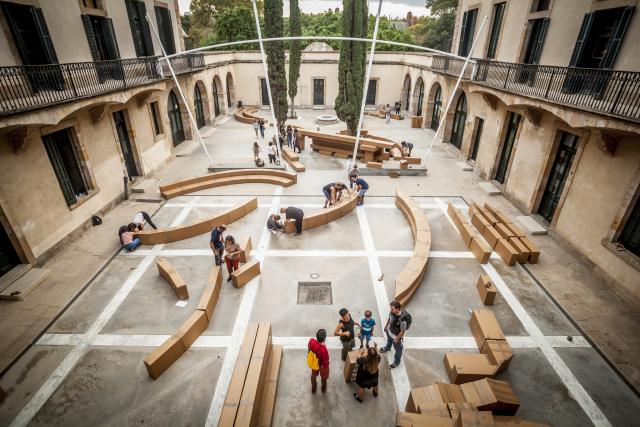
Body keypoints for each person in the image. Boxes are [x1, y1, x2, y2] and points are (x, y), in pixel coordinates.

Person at [380, 300, 411, 368]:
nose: (391, 310)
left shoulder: (403, 319)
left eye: (392, 308)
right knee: (389, 341)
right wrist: (386, 326)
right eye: (391, 308)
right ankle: (388, 348)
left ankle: (396, 362)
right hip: (390, 331)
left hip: (396, 337)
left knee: (398, 350)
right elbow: (389, 318)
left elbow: (402, 331)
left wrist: (397, 339)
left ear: (398, 309)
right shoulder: (392, 312)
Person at [308, 329, 330, 394]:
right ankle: (323, 387)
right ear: (324, 339)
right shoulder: (323, 349)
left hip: (314, 363)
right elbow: (326, 361)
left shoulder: (311, 341)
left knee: (313, 376)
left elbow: (309, 348)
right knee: (324, 377)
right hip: (322, 365)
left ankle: (314, 387)